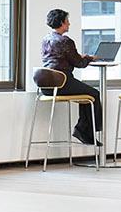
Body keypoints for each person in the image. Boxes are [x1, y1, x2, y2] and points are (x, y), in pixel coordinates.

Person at [40, 8, 104, 145]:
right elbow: (79, 63)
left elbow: (59, 58)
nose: (69, 24)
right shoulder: (65, 41)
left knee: (86, 93)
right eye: (67, 21)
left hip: (46, 86)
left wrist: (79, 57)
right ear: (62, 22)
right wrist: (89, 58)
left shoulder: (46, 39)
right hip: (62, 83)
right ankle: (85, 131)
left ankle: (83, 130)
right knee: (94, 94)